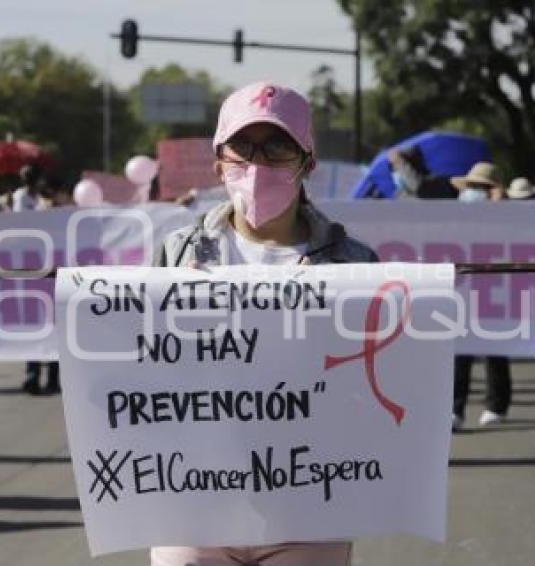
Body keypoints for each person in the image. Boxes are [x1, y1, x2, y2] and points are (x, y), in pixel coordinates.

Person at [152, 81, 376, 566]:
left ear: (306, 162)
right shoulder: (178, 252)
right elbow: (144, 366)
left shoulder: (353, 263)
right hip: (195, 503)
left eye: (277, 146)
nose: (257, 164)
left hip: (309, 509)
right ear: (219, 163)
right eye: (242, 147)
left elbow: (376, 382)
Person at [449, 162, 514, 429]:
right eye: (472, 187)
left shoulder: (508, 217)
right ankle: (455, 409)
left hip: (494, 290)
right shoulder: (455, 215)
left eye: (482, 188)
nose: (475, 192)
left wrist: (500, 210)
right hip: (462, 290)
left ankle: (497, 405)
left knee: (494, 349)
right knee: (458, 351)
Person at [11, 164, 58, 395]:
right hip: (31, 267)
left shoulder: (44, 199)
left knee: (53, 323)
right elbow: (26, 224)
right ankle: (33, 375)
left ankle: (53, 376)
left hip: (49, 266)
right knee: (37, 325)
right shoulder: (21, 198)